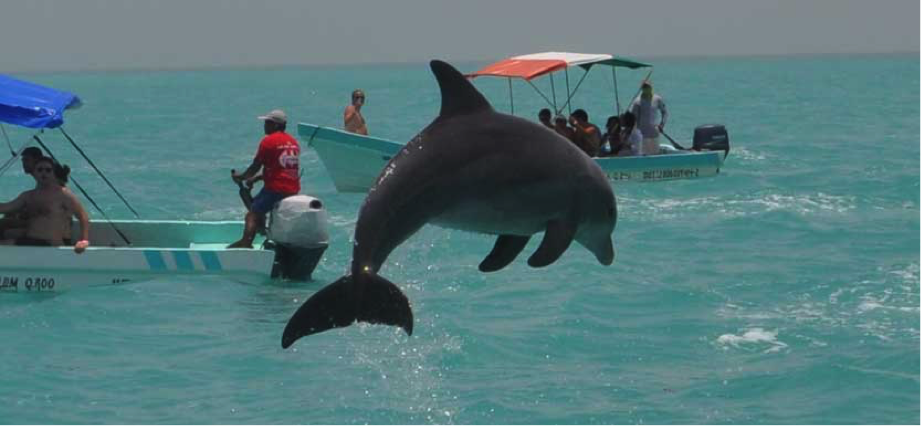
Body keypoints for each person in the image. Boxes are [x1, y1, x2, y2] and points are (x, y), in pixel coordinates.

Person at [229, 109, 301, 249]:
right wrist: (257, 179)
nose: (265, 126)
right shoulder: (293, 142)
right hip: (293, 188)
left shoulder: (268, 141)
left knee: (252, 214)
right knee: (258, 202)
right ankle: (263, 231)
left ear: (275, 125)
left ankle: (246, 243)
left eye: (267, 123)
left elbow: (256, 166)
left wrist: (242, 177)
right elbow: (283, 168)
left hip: (276, 189)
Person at [0, 156, 90, 253]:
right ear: (34, 173)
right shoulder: (27, 196)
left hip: (51, 244)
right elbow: (6, 207)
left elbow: (82, 216)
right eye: (40, 170)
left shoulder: (63, 194)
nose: (44, 173)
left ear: (53, 173)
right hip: (30, 241)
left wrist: (83, 240)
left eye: (48, 170)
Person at [0, 147, 44, 237]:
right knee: (9, 215)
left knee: (4, 222)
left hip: (42, 228)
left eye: (27, 160)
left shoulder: (46, 182)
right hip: (36, 222)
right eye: (23, 160)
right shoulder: (41, 181)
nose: (23, 164)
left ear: (37, 161)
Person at [629, 81, 668, 156]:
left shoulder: (657, 99)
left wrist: (662, 124)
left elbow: (665, 112)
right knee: (644, 155)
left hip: (654, 133)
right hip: (642, 136)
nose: (646, 89)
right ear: (642, 89)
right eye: (644, 87)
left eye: (648, 87)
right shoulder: (637, 102)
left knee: (655, 154)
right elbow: (633, 119)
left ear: (651, 87)